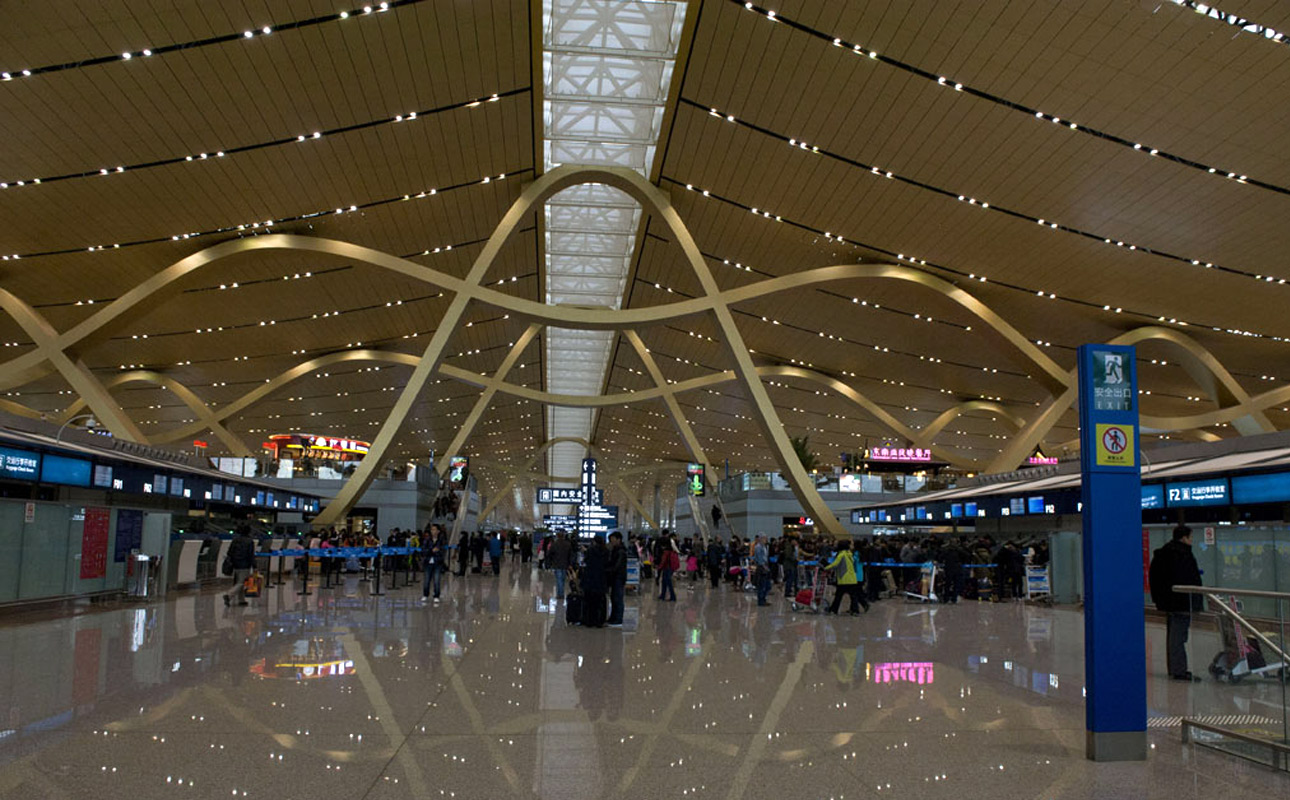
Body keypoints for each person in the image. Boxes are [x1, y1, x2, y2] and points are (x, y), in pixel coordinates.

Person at [1149, 524, 1204, 681]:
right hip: (1182, 602)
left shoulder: (1164, 553)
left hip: (1170, 602)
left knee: (1173, 636)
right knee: (1178, 637)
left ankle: (1174, 668)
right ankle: (1179, 670)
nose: (1191, 541)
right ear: (1184, 538)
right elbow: (1188, 579)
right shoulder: (1182, 555)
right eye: (1190, 537)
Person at [826, 540, 869, 615]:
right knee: (853, 596)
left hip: (844, 578)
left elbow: (835, 564)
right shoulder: (850, 554)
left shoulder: (842, 554)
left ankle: (833, 609)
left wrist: (825, 567)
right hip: (852, 578)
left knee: (838, 596)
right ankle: (855, 610)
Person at [223, 525, 257, 607]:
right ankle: (228, 595)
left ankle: (241, 600)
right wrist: (254, 566)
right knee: (241, 582)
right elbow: (250, 555)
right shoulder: (250, 541)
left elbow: (229, 552)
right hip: (244, 564)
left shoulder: (235, 540)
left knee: (239, 581)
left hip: (235, 564)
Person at [581, 534, 609, 628]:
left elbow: (586, 561)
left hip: (590, 578)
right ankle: (599, 621)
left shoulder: (590, 550)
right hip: (601, 578)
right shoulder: (606, 551)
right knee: (600, 601)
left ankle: (589, 621)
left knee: (589, 601)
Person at [422, 524, 448, 601]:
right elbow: (424, 551)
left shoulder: (441, 541)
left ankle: (436, 595)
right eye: (432, 529)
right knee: (427, 580)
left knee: (437, 580)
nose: (433, 531)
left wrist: (437, 551)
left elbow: (442, 551)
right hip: (428, 562)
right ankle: (425, 594)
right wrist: (431, 551)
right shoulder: (427, 540)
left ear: (438, 531)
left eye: (434, 529)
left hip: (438, 562)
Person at [607, 532, 628, 626]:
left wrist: (607, 570)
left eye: (613, 539)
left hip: (618, 577)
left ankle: (618, 618)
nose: (611, 541)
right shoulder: (615, 550)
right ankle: (613, 617)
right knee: (614, 597)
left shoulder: (620, 551)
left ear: (618, 539)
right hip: (615, 577)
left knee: (617, 598)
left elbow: (617, 566)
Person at [548, 531, 573, 600]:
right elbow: (571, 555)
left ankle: (560, 594)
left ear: (557, 536)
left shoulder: (554, 544)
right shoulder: (568, 544)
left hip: (557, 564)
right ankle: (561, 593)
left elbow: (550, 554)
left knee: (559, 579)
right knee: (563, 579)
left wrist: (550, 562)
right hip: (565, 564)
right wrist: (570, 564)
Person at [658, 534, 679, 601]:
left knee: (668, 583)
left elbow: (663, 561)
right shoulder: (671, 550)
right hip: (670, 568)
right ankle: (663, 595)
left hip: (667, 568)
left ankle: (672, 597)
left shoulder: (666, 552)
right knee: (664, 581)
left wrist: (659, 567)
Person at [752, 535, 771, 606]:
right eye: (765, 538)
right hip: (762, 567)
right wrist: (763, 566)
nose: (766, 540)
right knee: (762, 585)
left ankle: (763, 598)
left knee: (767, 585)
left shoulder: (764, 547)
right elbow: (759, 558)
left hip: (765, 566)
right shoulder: (758, 547)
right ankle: (761, 600)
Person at [781, 534, 799, 599]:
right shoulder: (789, 547)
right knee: (789, 579)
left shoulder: (791, 546)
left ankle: (788, 591)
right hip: (789, 565)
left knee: (790, 579)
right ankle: (787, 592)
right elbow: (788, 555)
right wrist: (794, 559)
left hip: (790, 565)